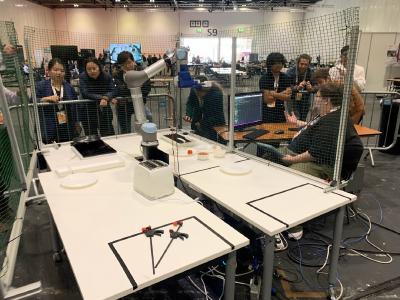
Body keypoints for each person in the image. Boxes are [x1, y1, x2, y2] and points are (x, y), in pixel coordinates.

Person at [266, 82, 363, 181]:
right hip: (302, 154)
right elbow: (315, 126)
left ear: (326, 100)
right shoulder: (328, 114)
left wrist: (292, 159)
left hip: (318, 163)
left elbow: (314, 154)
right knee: (268, 157)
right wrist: (297, 122)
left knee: (288, 176)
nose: (315, 99)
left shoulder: (331, 121)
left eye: (317, 96)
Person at [35, 58, 79, 143]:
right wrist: (46, 98)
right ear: (49, 71)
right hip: (49, 126)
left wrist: (77, 122)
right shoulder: (41, 86)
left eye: (62, 71)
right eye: (55, 70)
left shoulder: (69, 87)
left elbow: (75, 105)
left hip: (67, 126)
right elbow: (32, 101)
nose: (59, 73)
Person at [113, 51, 152, 134]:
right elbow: (119, 90)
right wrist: (137, 88)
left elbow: (147, 88)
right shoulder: (117, 75)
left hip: (139, 103)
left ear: (133, 61)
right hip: (123, 106)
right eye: (123, 65)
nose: (127, 66)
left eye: (129, 62)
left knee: (147, 121)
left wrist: (127, 89)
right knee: (125, 130)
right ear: (120, 65)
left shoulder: (142, 72)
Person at [79, 57, 116, 137]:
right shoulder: (82, 77)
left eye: (94, 68)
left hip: (104, 111)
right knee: (91, 137)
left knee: (108, 135)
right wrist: (103, 97)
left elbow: (113, 90)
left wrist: (107, 96)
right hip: (88, 112)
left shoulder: (107, 76)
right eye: (89, 69)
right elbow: (85, 93)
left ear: (99, 67)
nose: (92, 71)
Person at [183, 76, 225, 141]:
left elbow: (215, 116)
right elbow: (190, 102)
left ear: (205, 90)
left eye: (199, 94)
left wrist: (201, 123)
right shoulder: (194, 89)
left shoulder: (216, 95)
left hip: (215, 124)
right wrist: (188, 114)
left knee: (212, 142)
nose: (198, 96)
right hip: (200, 121)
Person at [259, 52, 292, 123]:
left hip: (280, 111)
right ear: (270, 64)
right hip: (267, 112)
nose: (279, 65)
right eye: (276, 63)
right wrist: (282, 94)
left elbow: (288, 97)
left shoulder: (285, 77)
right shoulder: (264, 78)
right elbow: (267, 100)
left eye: (280, 63)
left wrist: (273, 94)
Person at [286, 54, 314, 121]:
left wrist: (311, 88)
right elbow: (286, 85)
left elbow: (316, 85)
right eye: (301, 64)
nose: (303, 66)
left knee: (303, 118)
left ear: (309, 64)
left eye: (306, 64)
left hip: (305, 98)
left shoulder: (310, 72)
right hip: (293, 97)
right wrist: (297, 88)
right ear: (298, 63)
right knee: (295, 118)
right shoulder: (290, 72)